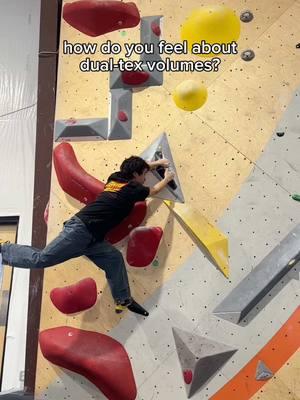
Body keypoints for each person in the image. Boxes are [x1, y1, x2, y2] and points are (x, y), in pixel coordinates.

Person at [0, 156, 175, 315]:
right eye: (143, 174)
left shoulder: (115, 178)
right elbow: (153, 191)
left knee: (114, 259)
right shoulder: (132, 189)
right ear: (135, 174)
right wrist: (167, 178)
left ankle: (123, 299)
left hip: (92, 237)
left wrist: (158, 164)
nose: (145, 177)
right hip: (81, 231)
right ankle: (4, 251)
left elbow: (140, 168)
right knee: (42, 258)